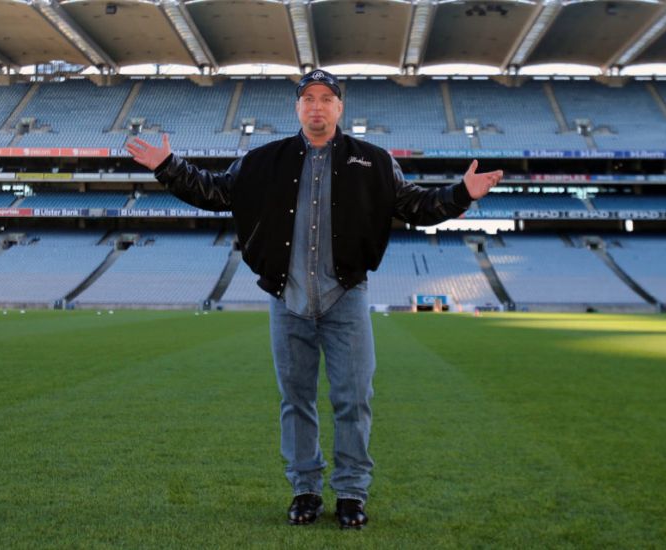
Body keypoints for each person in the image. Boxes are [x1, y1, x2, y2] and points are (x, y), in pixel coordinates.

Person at [125, 69, 502, 529]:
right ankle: (304, 490)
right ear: (297, 108)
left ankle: (350, 494)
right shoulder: (265, 160)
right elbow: (217, 192)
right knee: (296, 399)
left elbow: (417, 206)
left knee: (354, 399)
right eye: (309, 99)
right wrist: (169, 166)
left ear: (340, 108)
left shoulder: (376, 162)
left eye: (327, 98)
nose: (317, 106)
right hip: (287, 298)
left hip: (346, 295)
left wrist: (463, 194)